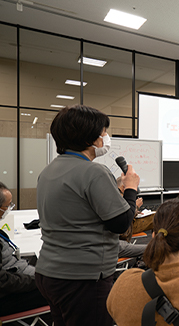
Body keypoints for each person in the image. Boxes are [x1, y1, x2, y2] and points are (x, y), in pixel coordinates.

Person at [35, 105, 140, 326]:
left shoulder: (49, 171)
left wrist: (115, 186)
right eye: (102, 132)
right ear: (88, 139)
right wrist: (130, 189)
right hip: (83, 277)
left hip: (49, 272)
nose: (105, 138)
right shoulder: (94, 171)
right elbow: (121, 223)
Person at [0, 183, 48, 316]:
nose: (9, 209)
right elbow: (3, 282)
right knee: (61, 289)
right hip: (8, 297)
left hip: (19, 278)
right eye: (7, 206)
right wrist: (36, 281)